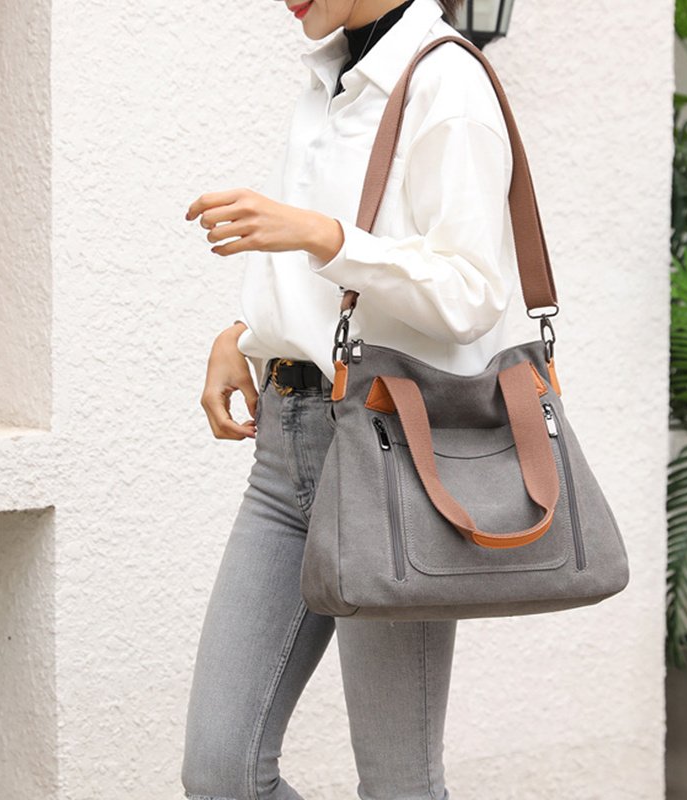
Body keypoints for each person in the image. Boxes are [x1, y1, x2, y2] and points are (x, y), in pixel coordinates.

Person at [181, 0, 517, 797]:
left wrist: (323, 235)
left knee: (399, 783)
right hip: (286, 446)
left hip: (391, 454)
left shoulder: (446, 81)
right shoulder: (333, 76)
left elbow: (471, 293)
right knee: (222, 772)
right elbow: (329, 289)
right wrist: (247, 335)